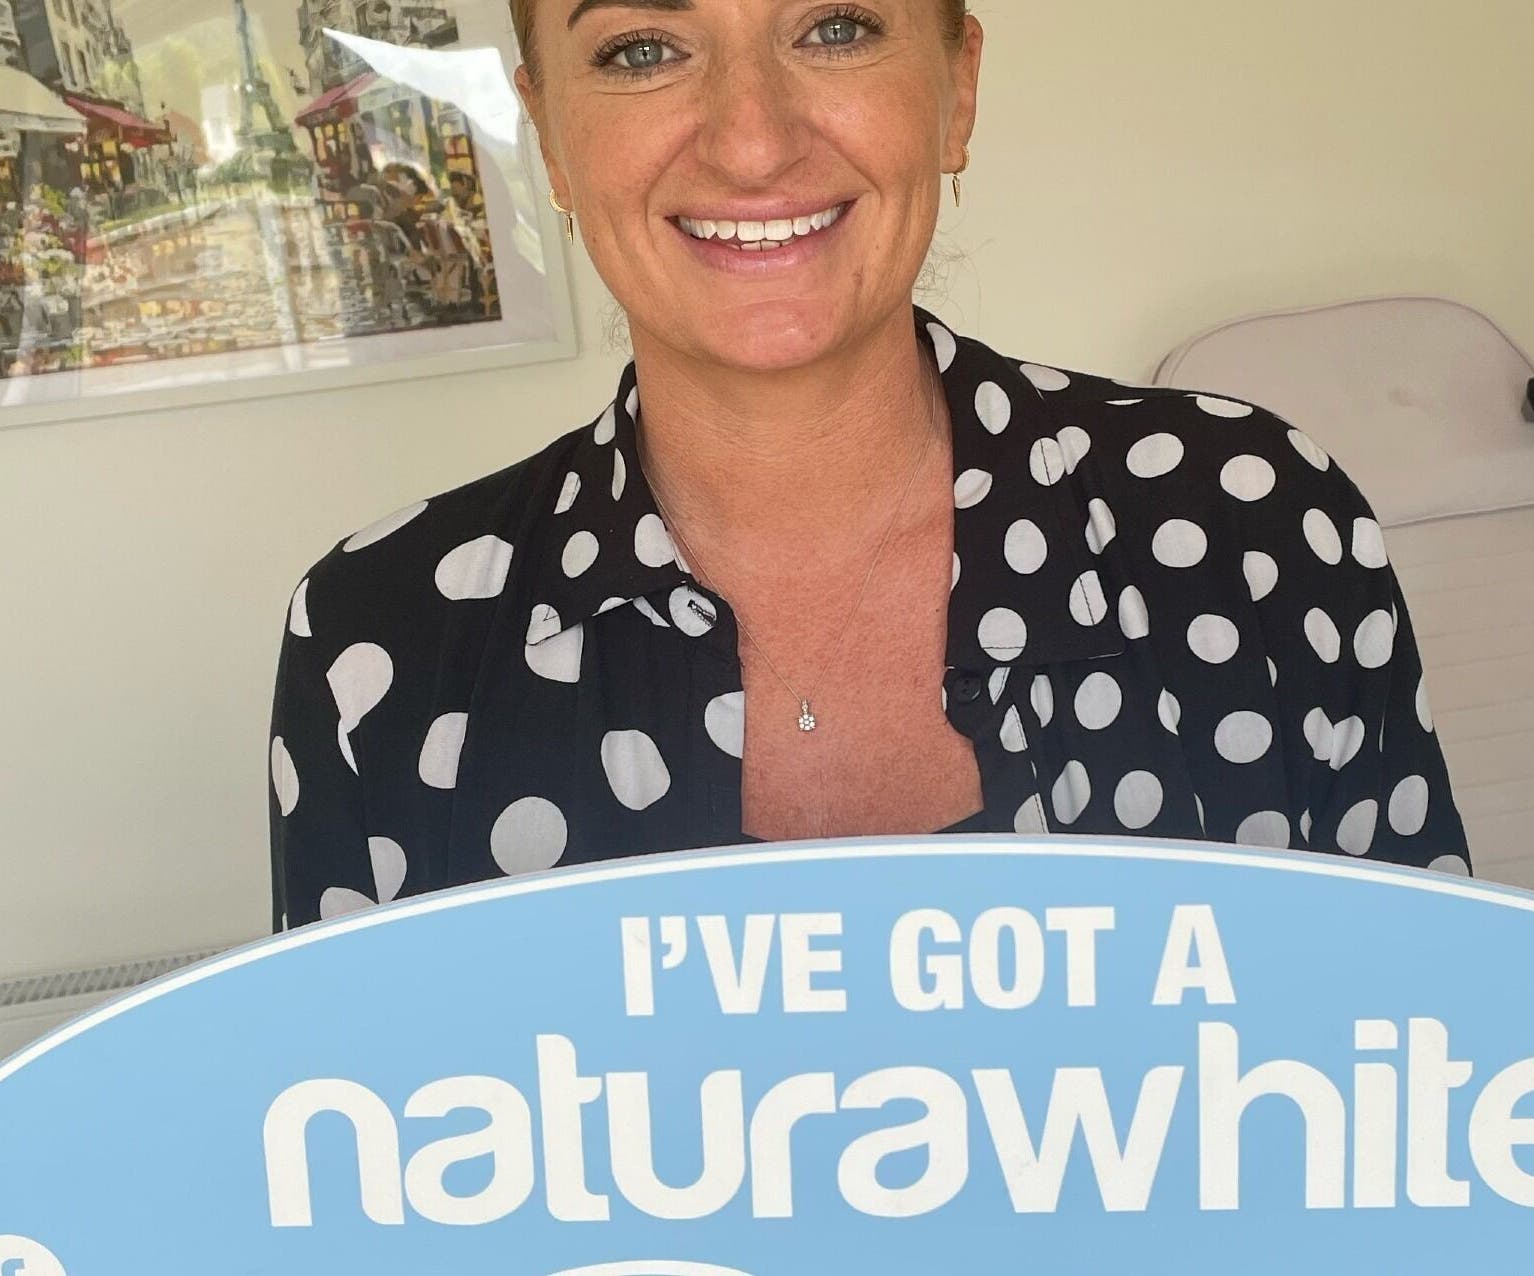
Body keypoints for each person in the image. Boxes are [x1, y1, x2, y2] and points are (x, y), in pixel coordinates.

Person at [268, 0, 1470, 930]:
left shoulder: (1248, 524)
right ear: (555, 142)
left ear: (955, 90)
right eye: (641, 49)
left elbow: (1420, 1067)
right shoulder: (383, 638)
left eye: (834, 26)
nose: (751, 141)